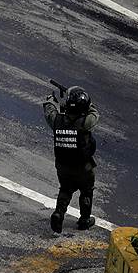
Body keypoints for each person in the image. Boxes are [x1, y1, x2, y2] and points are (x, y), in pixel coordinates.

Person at [43, 85, 99, 233]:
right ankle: (84, 220)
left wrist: (50, 100)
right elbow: (94, 113)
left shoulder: (57, 121)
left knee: (66, 190)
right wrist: (86, 102)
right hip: (83, 167)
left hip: (63, 166)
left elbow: (49, 111)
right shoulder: (86, 122)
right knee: (86, 191)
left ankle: (59, 213)